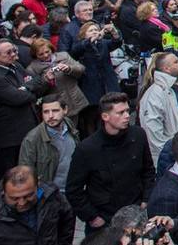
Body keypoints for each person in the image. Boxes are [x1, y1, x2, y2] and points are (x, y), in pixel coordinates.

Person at [66, 92, 156, 230]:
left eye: (127, 110)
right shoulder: (87, 148)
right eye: (120, 113)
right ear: (105, 116)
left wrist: (146, 199)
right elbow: (74, 190)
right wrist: (92, 216)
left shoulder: (138, 135)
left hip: (135, 212)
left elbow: (148, 170)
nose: (127, 116)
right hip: (105, 218)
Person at [0, 37, 48, 187]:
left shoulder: (16, 66)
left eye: (14, 50)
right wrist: (29, 90)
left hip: (26, 127)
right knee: (9, 175)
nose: (13, 54)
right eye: (8, 52)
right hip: (9, 136)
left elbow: (39, 82)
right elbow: (18, 98)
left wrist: (26, 88)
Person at [139, 51, 178, 162]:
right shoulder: (155, 94)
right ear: (166, 69)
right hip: (177, 157)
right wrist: (172, 157)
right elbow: (153, 133)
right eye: (176, 62)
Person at [19, 93, 80, 189]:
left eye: (55, 111)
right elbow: (25, 173)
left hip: (74, 187)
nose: (50, 116)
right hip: (52, 194)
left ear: (65, 110)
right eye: (46, 112)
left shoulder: (69, 124)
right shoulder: (32, 139)